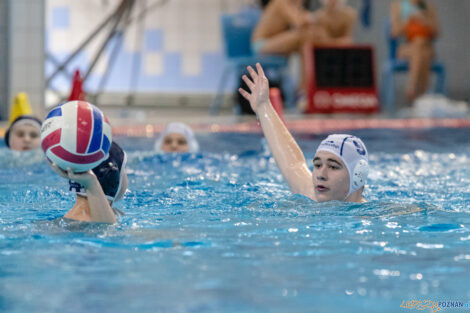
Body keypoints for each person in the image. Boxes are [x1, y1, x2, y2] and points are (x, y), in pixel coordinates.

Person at [239, 63, 368, 202]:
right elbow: (294, 164)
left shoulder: (375, 216)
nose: (321, 175)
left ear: (357, 175)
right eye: (317, 165)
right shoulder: (312, 195)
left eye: (332, 167)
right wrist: (263, 107)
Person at [48, 142, 128, 223]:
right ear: (113, 174)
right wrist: (91, 184)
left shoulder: (63, 222)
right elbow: (104, 227)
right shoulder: (101, 225)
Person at [390, 0, 439, 102]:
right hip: (406, 47)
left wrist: (424, 20)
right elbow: (394, 32)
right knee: (419, 48)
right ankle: (423, 95)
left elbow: (436, 32)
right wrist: (410, 20)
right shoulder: (398, 6)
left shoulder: (428, 7)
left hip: (426, 46)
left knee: (420, 46)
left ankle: (412, 88)